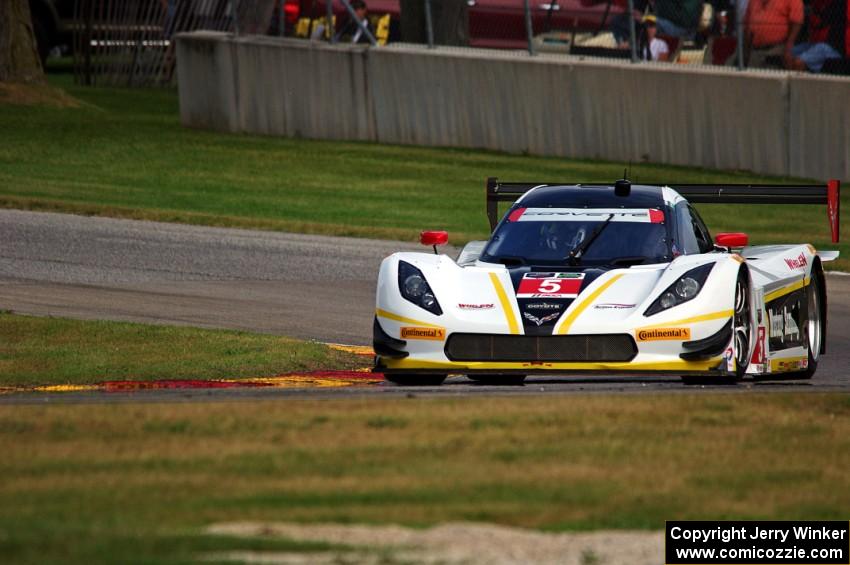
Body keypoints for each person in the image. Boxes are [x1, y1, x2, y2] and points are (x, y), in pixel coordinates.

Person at [788, 0, 846, 72]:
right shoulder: (817, 5)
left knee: (799, 62)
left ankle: (800, 82)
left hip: (834, 47)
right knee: (789, 53)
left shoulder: (839, 5)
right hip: (817, 43)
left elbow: (823, 20)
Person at [744, 0, 804, 68]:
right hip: (755, 50)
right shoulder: (753, 1)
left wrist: (789, 46)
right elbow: (747, 24)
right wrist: (746, 49)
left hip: (777, 50)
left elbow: (797, 22)